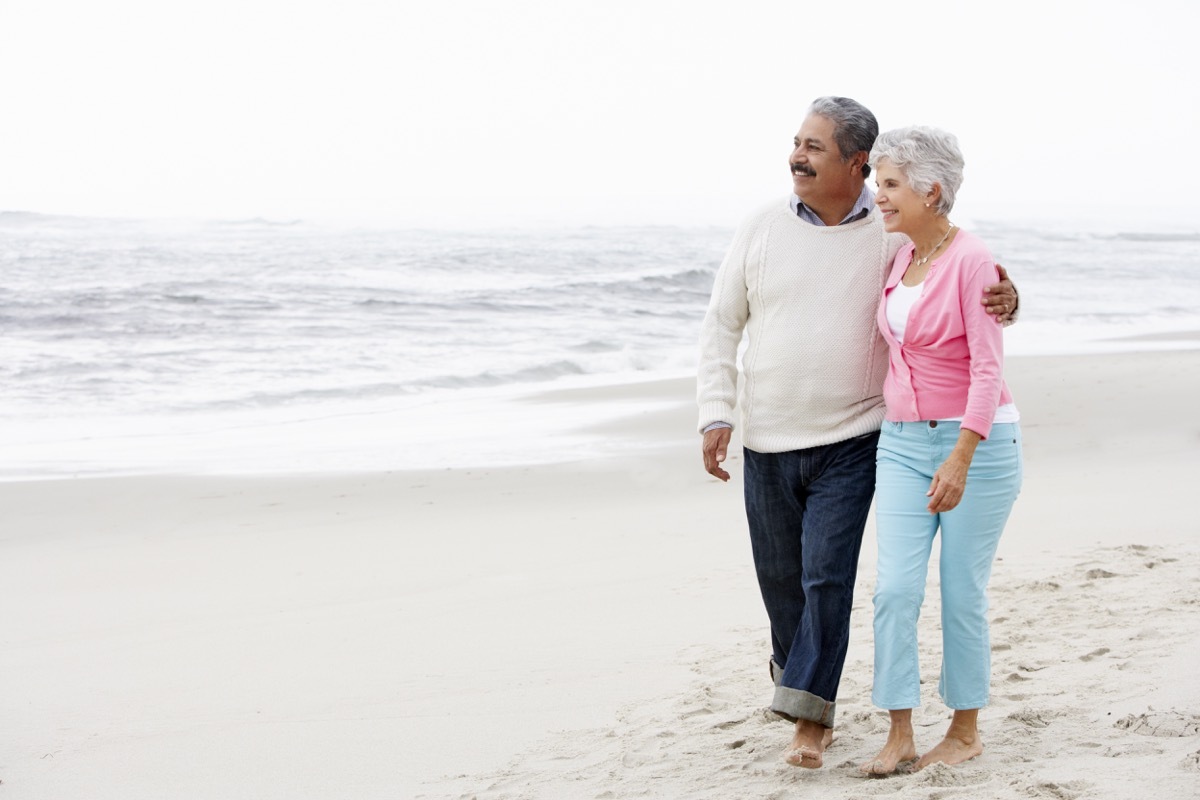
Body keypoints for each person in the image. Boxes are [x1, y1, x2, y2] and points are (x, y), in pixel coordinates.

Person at [696, 96, 1019, 769]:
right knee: (783, 582)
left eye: (814, 147)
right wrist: (716, 411)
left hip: (858, 437)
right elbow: (722, 323)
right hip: (769, 438)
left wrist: (1009, 297)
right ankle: (801, 681)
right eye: (797, 143)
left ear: (857, 163)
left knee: (827, 579)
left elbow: (965, 268)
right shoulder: (760, 226)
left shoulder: (893, 230)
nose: (797, 157)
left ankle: (812, 721)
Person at [858, 126, 1023, 775]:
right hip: (899, 445)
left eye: (891, 183)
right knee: (895, 589)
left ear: (932, 191)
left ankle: (964, 729)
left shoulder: (973, 259)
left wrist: (960, 456)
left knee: (961, 590)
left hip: (976, 445)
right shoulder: (899, 256)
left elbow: (988, 369)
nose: (881, 194)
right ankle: (899, 730)